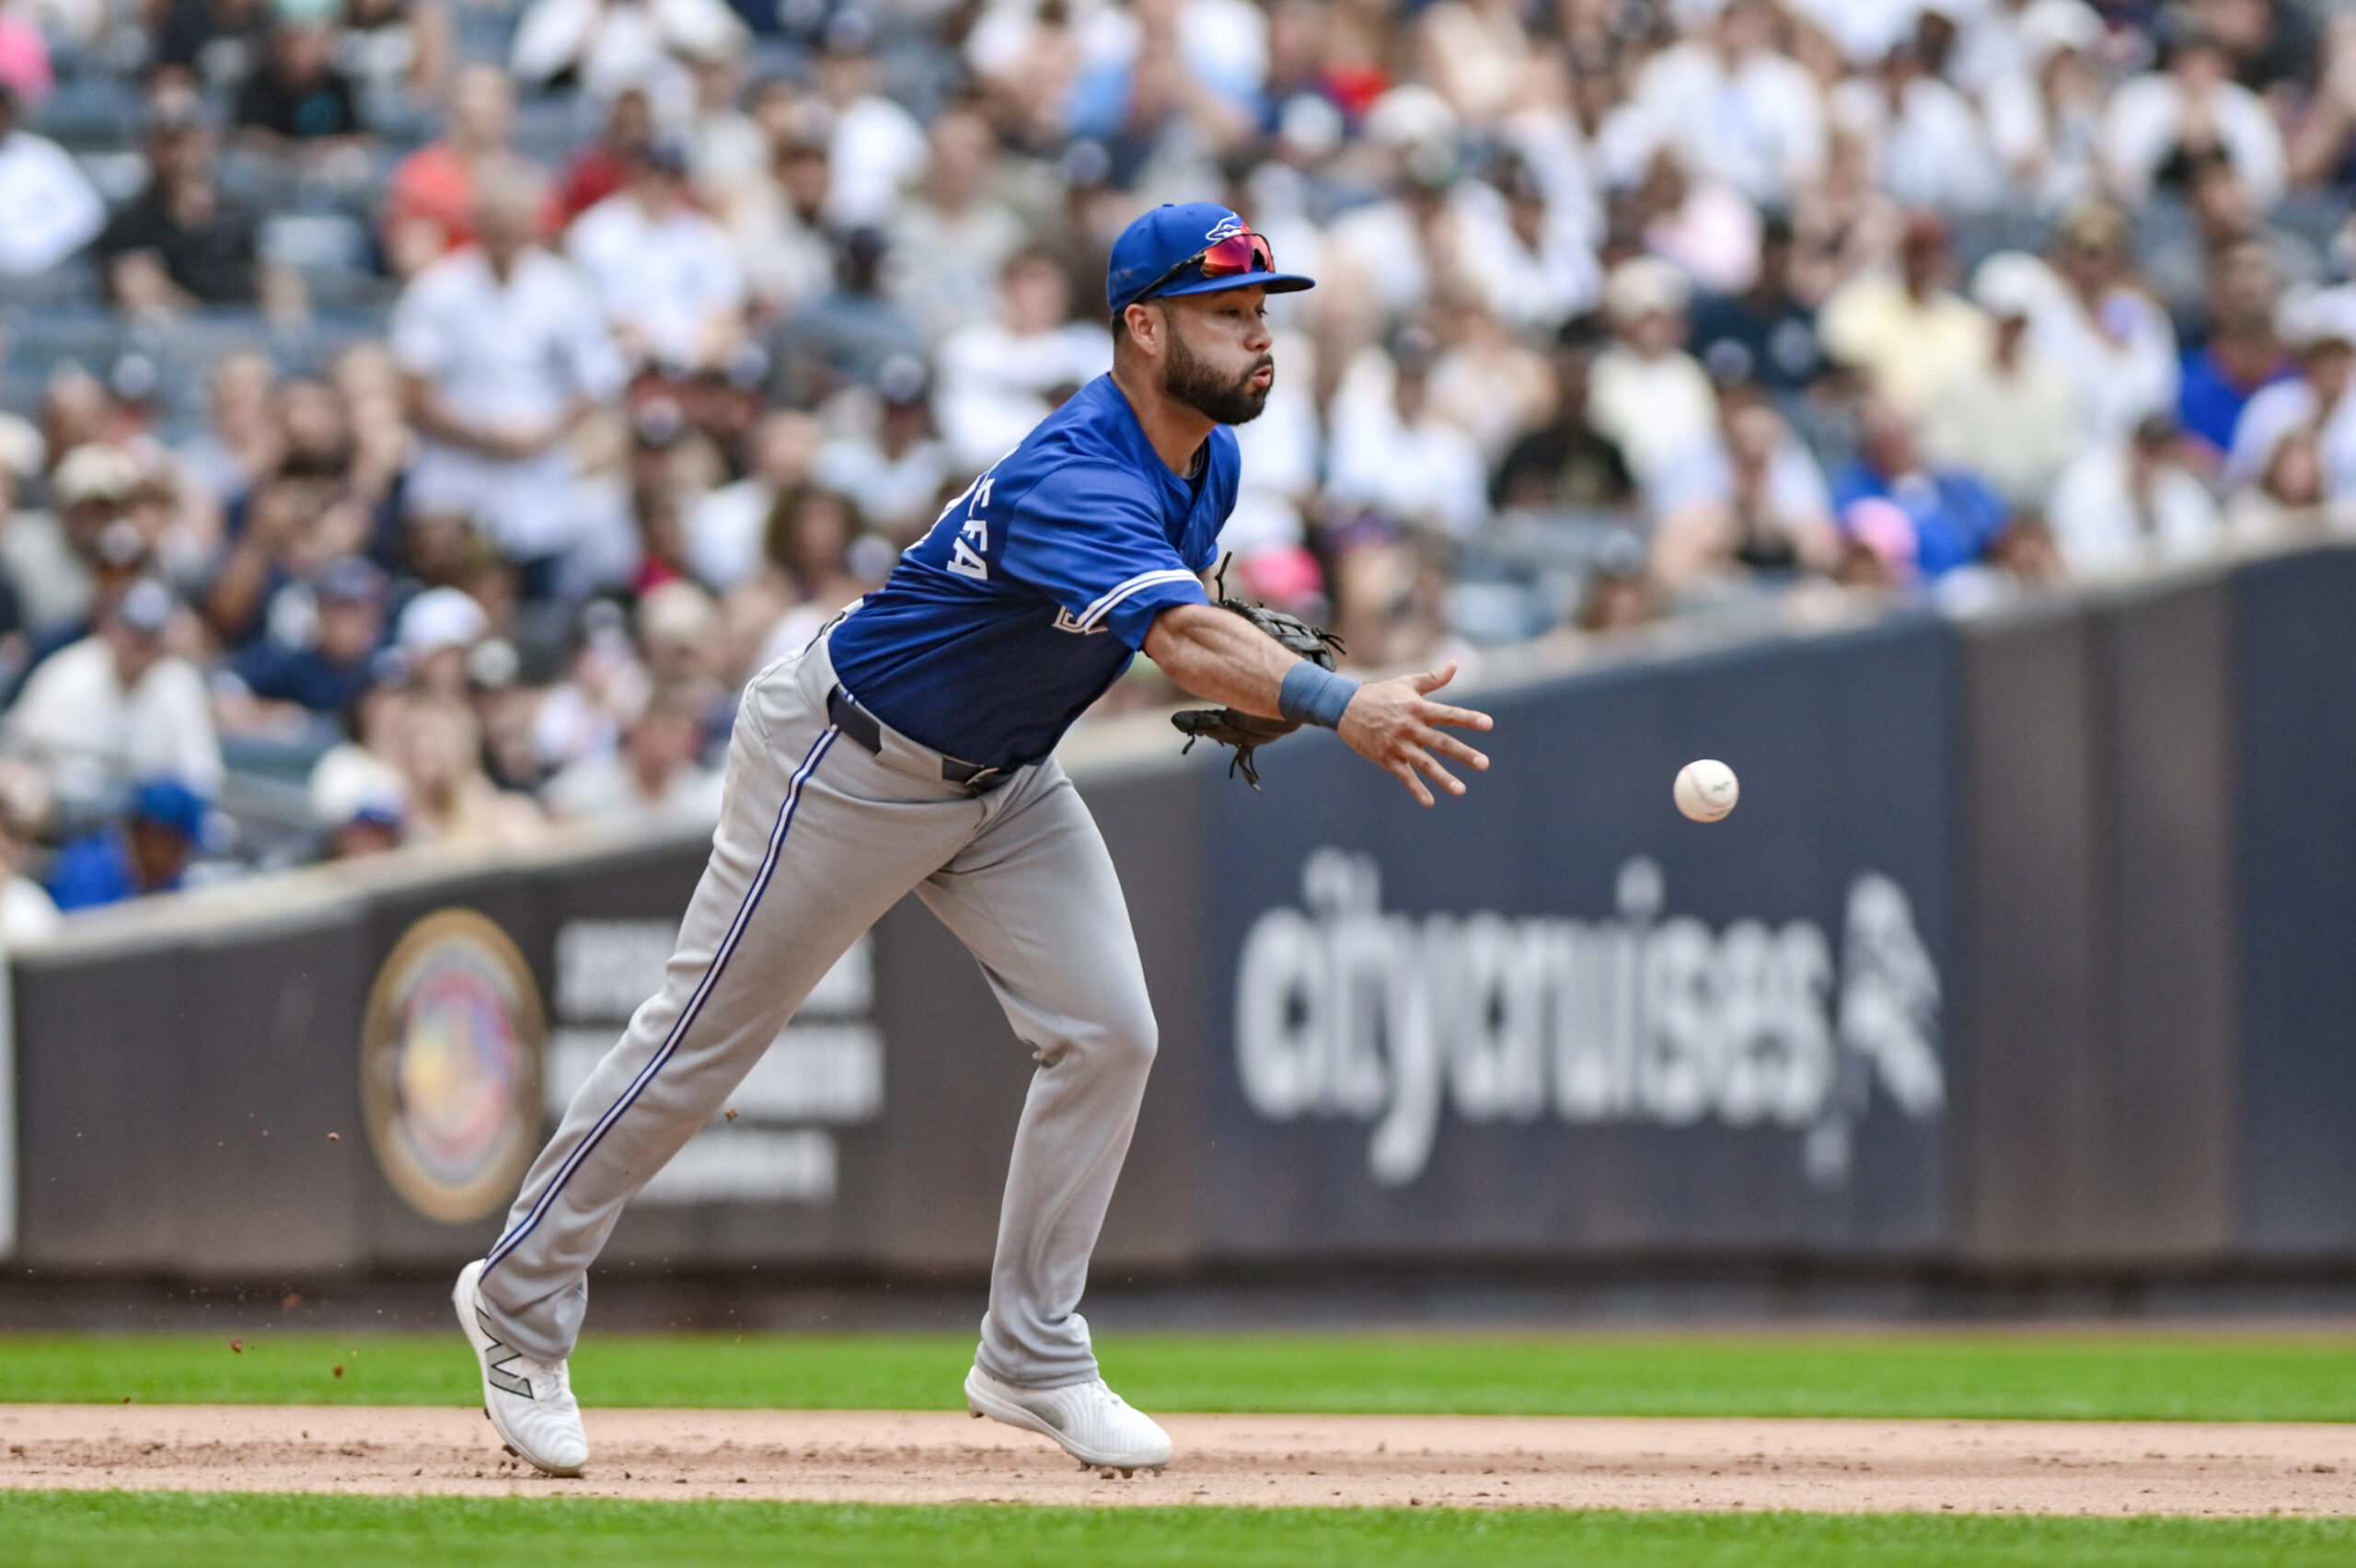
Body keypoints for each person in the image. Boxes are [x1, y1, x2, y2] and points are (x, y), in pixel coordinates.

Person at [454, 202, 1494, 1481]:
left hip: (1002, 779)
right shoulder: (1080, 465)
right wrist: (1338, 701)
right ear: (1144, 325)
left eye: (1264, 309)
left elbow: (1174, 622)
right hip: (844, 759)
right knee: (699, 1050)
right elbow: (1174, 641)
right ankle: (517, 1302)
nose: (1259, 335)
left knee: (1110, 1031)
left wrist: (1254, 666)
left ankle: (1033, 1353)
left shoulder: (1206, 459)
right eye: (1230, 313)